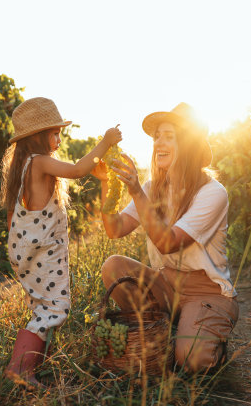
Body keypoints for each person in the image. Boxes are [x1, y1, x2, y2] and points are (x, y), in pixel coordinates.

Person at [92, 103, 239, 373]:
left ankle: (208, 340)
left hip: (206, 292)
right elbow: (114, 229)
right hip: (167, 284)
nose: (159, 141)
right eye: (157, 135)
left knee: (191, 360)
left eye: (169, 136)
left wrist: (135, 189)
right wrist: (106, 184)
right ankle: (163, 328)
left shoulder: (212, 193)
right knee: (113, 267)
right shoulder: (153, 188)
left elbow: (168, 242)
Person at [0, 97, 122, 386]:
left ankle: (34, 364)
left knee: (44, 305)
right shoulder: (40, 162)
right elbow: (79, 170)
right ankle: (20, 369)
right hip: (42, 249)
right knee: (55, 307)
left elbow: (11, 217)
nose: (58, 139)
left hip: (29, 249)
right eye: (54, 133)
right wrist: (105, 141)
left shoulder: (23, 166)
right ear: (37, 137)